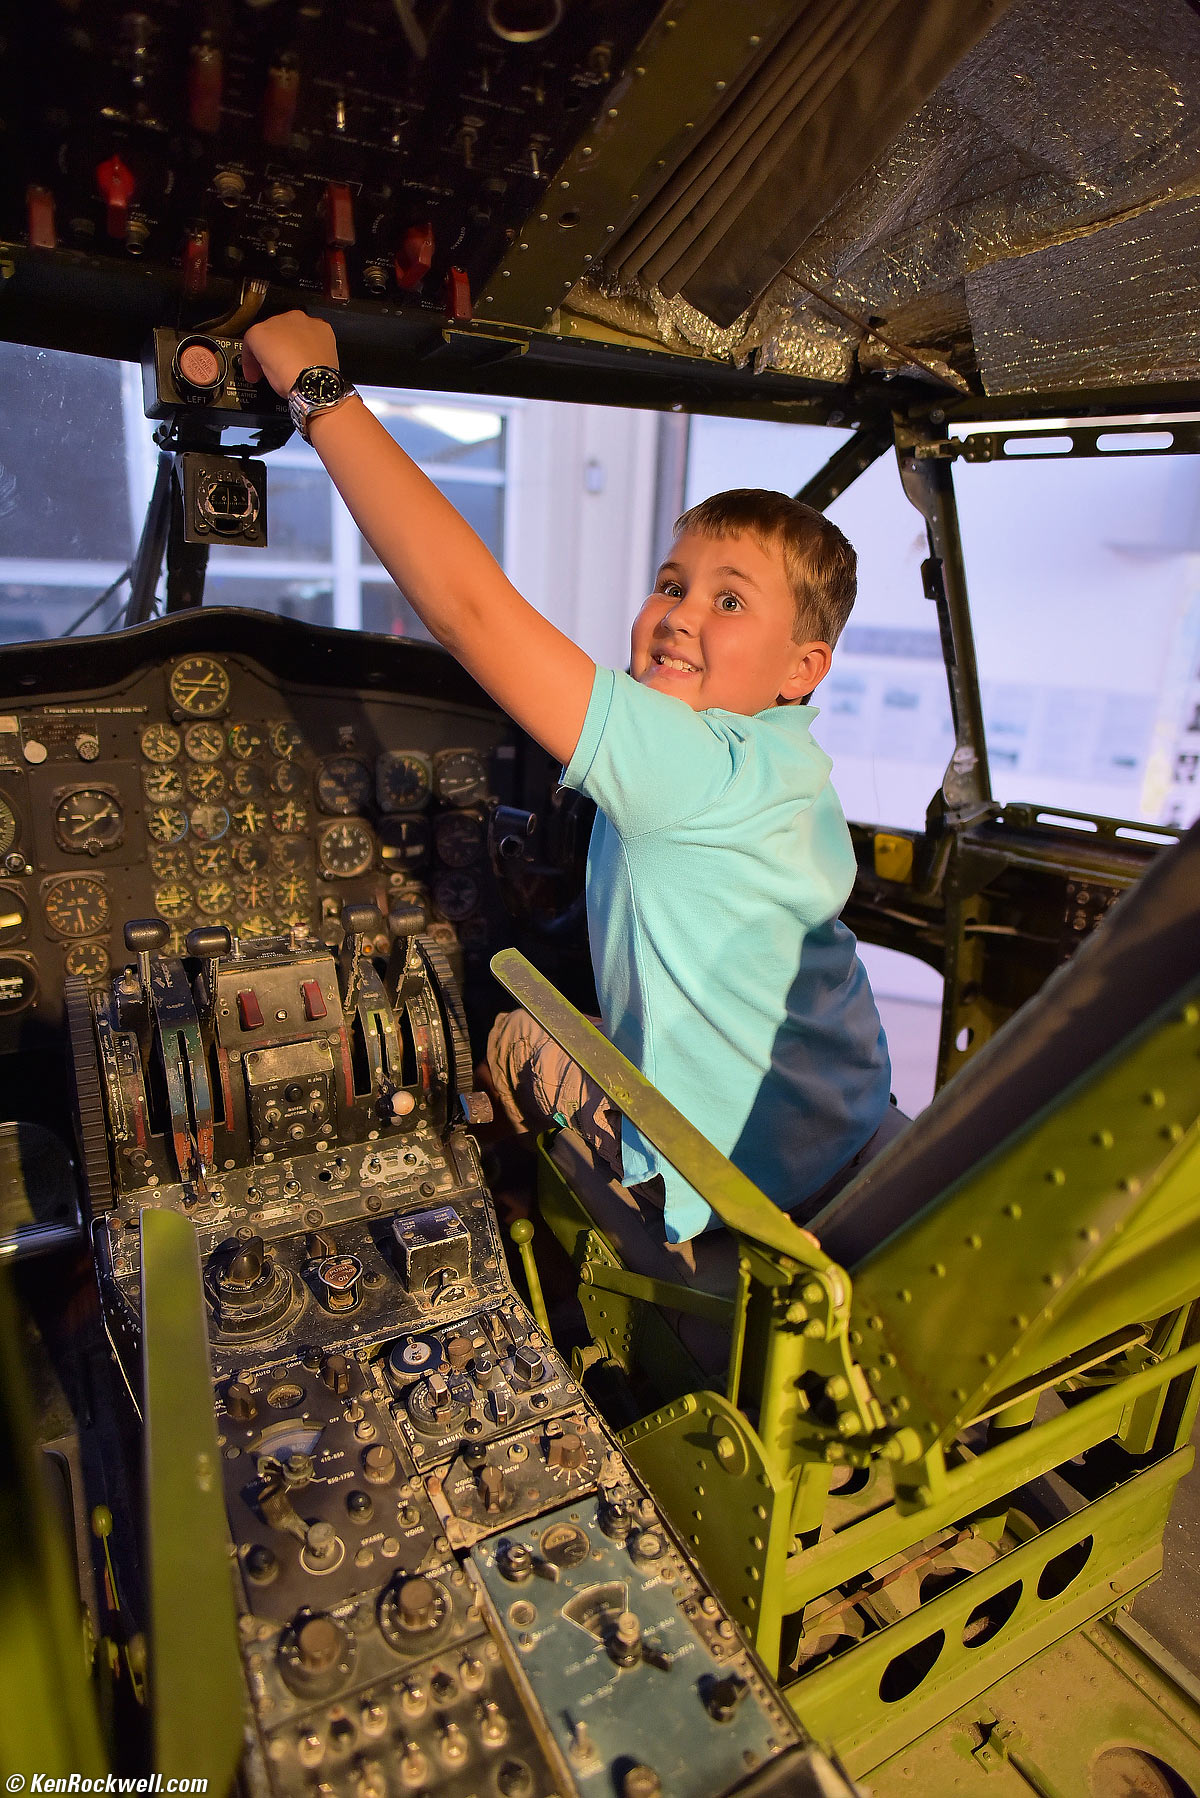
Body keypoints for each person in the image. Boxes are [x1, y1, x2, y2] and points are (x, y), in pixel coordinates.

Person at [241, 314, 898, 1304]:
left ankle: (524, 1248)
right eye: (672, 584)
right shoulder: (787, 766)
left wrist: (319, 393)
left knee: (519, 1027)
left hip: (738, 1192)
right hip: (839, 1130)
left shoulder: (687, 765)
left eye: (730, 601)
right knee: (589, 1012)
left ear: (805, 667)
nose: (679, 612)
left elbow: (470, 612)